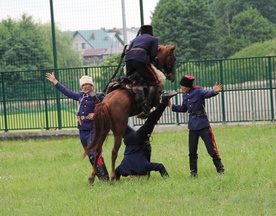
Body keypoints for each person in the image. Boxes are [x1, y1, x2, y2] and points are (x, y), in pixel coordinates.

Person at [46, 72, 109, 181]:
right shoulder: (80, 96)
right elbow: (67, 92)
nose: (86, 86)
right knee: (89, 153)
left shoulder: (98, 96)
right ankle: (100, 176)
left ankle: (105, 177)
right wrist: (55, 82)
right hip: (82, 128)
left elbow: (107, 109)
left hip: (93, 128)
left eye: (88, 84)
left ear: (92, 85)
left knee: (94, 152)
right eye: (83, 85)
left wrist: (96, 114)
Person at [115, 91, 178, 180]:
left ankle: (164, 101)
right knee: (119, 122)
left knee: (151, 121)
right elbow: (116, 173)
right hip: (129, 140)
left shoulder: (144, 166)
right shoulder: (123, 168)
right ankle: (107, 107)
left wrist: (167, 179)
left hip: (139, 140)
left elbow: (160, 166)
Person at [171, 75, 225, 177]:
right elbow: (183, 108)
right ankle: (193, 173)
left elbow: (207, 93)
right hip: (192, 127)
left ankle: (220, 169)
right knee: (192, 151)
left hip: (203, 125)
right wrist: (171, 106)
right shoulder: (185, 95)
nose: (181, 88)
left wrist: (215, 91)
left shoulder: (198, 90)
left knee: (211, 149)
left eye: (183, 86)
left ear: (187, 86)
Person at [125, 24, 160, 118]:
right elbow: (153, 54)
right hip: (140, 59)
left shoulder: (135, 39)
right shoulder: (154, 39)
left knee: (129, 80)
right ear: (151, 31)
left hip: (128, 59)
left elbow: (128, 50)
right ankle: (147, 107)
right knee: (154, 82)